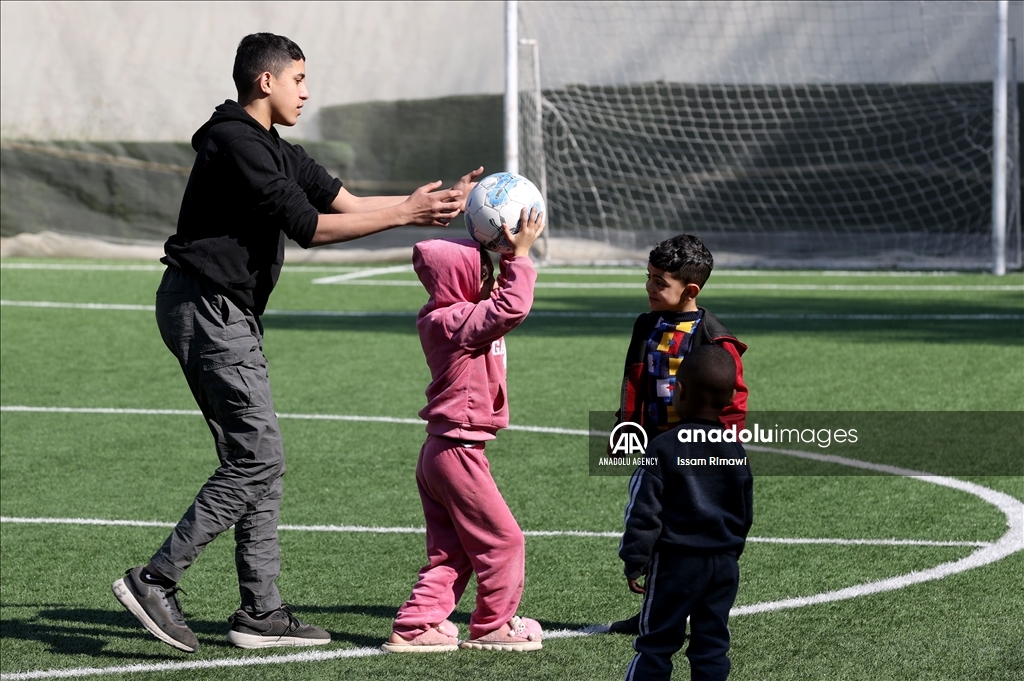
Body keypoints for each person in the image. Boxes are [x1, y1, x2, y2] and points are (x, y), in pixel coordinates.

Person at [111, 32, 483, 653]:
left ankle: (260, 611)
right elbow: (309, 228)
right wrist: (405, 215)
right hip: (205, 307)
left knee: (261, 461)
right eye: (299, 79)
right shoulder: (234, 142)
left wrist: (432, 204)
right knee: (256, 458)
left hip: (224, 311)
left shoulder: (277, 150)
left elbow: (351, 204)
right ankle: (155, 579)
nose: (306, 92)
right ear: (266, 81)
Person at [381, 208, 546, 653]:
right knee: (503, 540)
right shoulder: (452, 321)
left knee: (452, 551)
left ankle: (416, 627)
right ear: (457, 280)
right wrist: (521, 257)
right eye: (483, 273)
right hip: (456, 451)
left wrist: (503, 254)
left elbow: (498, 310)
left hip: (445, 451)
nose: (491, 280)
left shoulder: (454, 316)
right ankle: (495, 624)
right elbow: (512, 307)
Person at [609, 233, 748, 635]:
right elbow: (633, 382)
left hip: (696, 455)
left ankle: (696, 607)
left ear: (690, 290)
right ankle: (653, 608)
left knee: (689, 532)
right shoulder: (645, 326)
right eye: (648, 277)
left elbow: (734, 400)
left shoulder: (715, 338)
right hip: (656, 449)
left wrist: (724, 448)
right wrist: (626, 427)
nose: (649, 288)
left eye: (659, 282)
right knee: (652, 525)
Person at [619, 344, 754, 681]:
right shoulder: (735, 450)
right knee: (711, 646)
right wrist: (731, 552)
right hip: (723, 564)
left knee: (656, 643)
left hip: (675, 564)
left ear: (678, 391)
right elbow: (744, 511)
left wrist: (635, 560)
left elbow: (643, 511)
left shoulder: (663, 447)